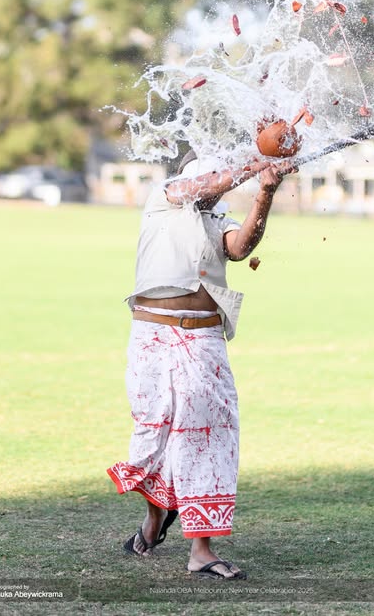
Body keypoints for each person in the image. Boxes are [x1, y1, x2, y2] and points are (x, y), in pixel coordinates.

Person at [107, 149, 297, 579]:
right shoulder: (165, 196)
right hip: (152, 337)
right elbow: (203, 186)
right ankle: (155, 517)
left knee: (206, 436)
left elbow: (240, 247)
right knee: (153, 432)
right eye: (212, 174)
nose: (215, 185)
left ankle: (201, 552)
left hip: (205, 338)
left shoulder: (218, 217)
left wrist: (266, 190)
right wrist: (252, 165)